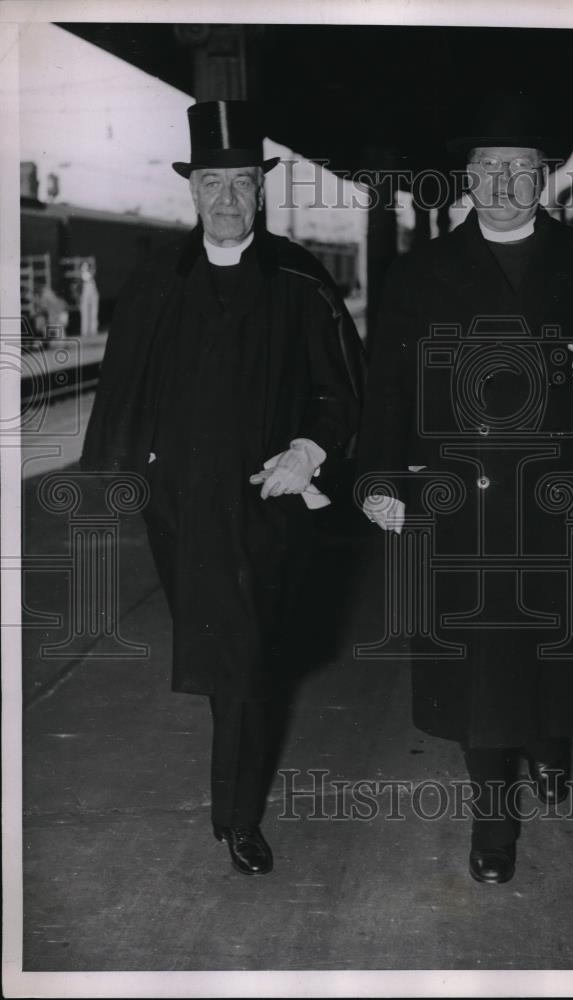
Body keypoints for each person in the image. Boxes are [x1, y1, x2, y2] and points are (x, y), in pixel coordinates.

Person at [357, 95, 573, 885]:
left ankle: (550, 745)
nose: (502, 184)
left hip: (561, 498)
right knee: (482, 668)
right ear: (466, 179)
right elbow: (387, 389)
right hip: (461, 502)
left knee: (557, 652)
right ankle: (493, 824)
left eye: (519, 170)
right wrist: (381, 481)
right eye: (487, 169)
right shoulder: (420, 274)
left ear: (546, 177)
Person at [81, 100, 363, 877]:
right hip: (181, 508)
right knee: (228, 652)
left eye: (242, 182)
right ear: (194, 190)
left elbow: (342, 391)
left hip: (269, 500)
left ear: (261, 188)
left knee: (242, 655)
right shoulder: (158, 281)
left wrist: (310, 449)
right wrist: (120, 478)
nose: (229, 199)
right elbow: (122, 387)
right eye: (214, 183)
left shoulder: (301, 281)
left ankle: (236, 819)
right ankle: (235, 802)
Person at [78, 259, 100, 336]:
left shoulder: (91, 278)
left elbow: (93, 272)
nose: (85, 268)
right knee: (85, 312)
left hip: (92, 292)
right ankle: (85, 331)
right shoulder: (83, 276)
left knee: (94, 312)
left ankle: (93, 330)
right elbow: (89, 275)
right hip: (85, 292)